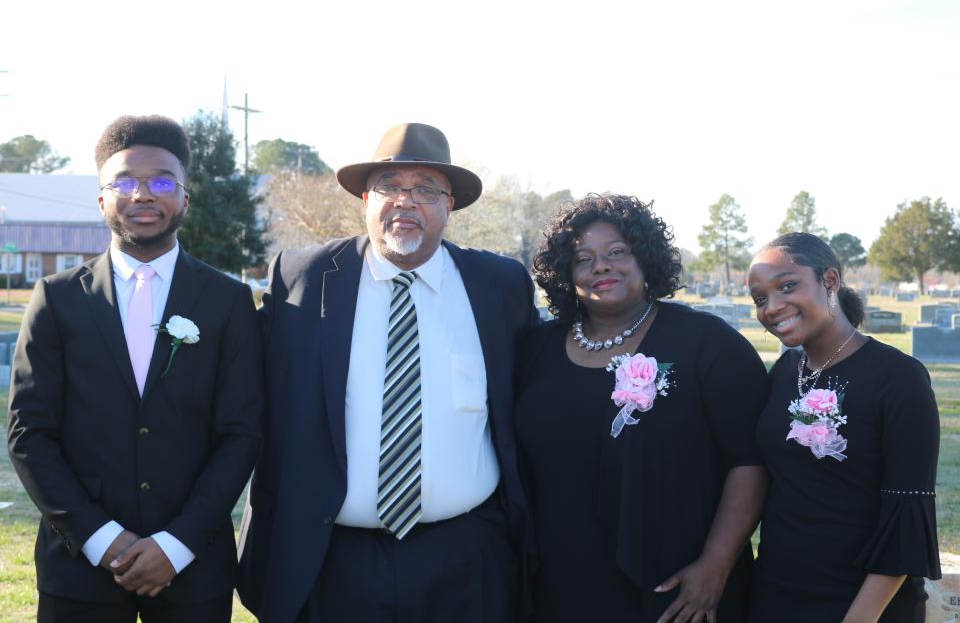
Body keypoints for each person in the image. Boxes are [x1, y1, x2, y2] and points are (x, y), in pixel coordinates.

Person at [237, 123, 540, 622]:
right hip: (332, 560)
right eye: (390, 187)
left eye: (426, 189)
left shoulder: (500, 287)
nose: (406, 201)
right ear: (364, 198)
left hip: (466, 559)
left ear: (451, 206)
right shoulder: (305, 278)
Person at [7, 115, 263, 622]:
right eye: (124, 181)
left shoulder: (229, 302)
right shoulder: (56, 300)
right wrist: (101, 540)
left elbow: (241, 433)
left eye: (163, 181)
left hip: (192, 568)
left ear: (185, 197)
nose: (143, 195)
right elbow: (29, 433)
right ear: (102, 199)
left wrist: (177, 543)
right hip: (79, 567)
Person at [516, 194, 768, 622]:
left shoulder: (706, 343)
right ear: (565, 273)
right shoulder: (535, 349)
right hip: (559, 582)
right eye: (583, 258)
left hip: (673, 586)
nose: (601, 266)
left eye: (617, 252)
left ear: (645, 258)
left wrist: (716, 564)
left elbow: (751, 462)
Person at [746, 232, 940, 622]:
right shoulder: (784, 372)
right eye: (760, 298)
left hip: (862, 605)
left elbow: (906, 518)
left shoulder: (898, 379)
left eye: (787, 286)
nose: (772, 306)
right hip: (775, 596)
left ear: (829, 281)